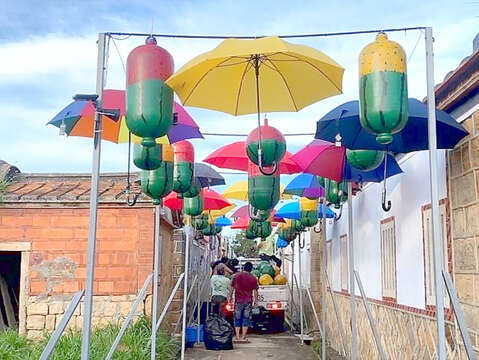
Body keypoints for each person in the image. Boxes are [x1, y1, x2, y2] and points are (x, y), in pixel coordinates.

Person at [229, 262, 259, 342]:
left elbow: (232, 288)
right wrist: (256, 301)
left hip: (238, 301)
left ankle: (237, 337)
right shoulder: (253, 278)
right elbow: (255, 291)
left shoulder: (237, 276)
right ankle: (244, 337)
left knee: (237, 318)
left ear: (243, 268)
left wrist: (230, 297)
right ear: (251, 269)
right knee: (246, 318)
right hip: (248, 301)